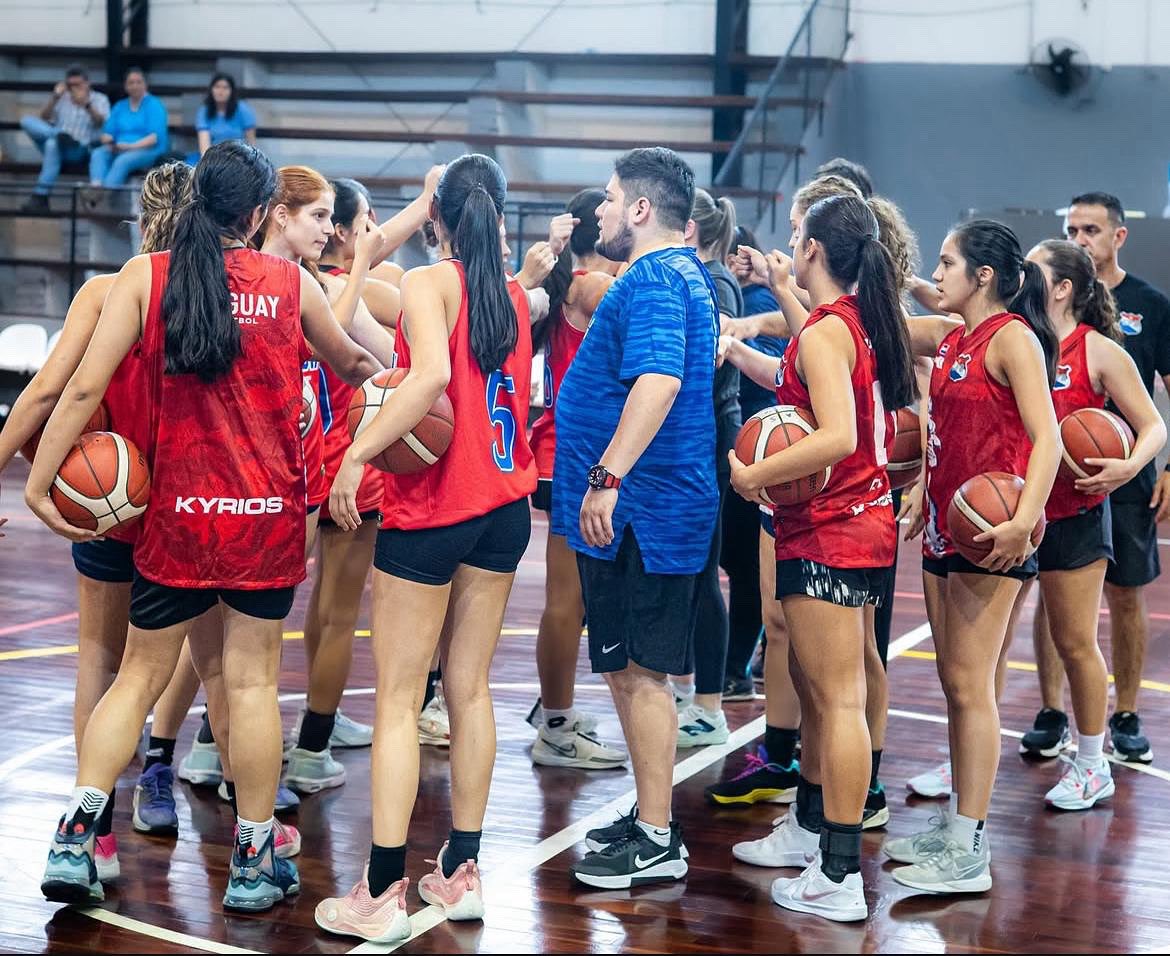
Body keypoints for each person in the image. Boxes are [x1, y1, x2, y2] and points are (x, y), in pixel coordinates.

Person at [29, 140, 381, 911]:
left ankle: (78, 834)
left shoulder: (146, 277)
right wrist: (404, 380)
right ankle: (252, 861)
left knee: (139, 676)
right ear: (259, 215)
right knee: (251, 683)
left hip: (178, 517)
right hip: (265, 518)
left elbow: (85, 386)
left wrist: (37, 479)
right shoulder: (291, 283)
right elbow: (355, 363)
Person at [315, 154, 537, 942]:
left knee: (401, 701)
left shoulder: (427, 283)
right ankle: (461, 873)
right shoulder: (511, 293)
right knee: (469, 690)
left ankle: (381, 890)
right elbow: (432, 367)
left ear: (436, 217)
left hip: (439, 507)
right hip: (507, 505)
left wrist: (355, 452)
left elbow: (429, 379)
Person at [722, 193, 915, 921]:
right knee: (823, 686)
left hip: (832, 526)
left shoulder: (831, 331)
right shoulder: (849, 323)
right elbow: (804, 384)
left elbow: (833, 436)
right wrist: (744, 348)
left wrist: (754, 475)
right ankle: (811, 829)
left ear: (810, 250)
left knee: (836, 702)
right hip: (855, 526)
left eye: (796, 235)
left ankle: (839, 873)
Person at [0, 161, 191, 876]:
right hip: (187, 509)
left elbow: (50, 392)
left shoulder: (106, 291)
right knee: (209, 669)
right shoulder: (221, 295)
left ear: (139, 224)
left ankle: (95, 834)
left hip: (105, 505)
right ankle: (235, 827)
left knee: (101, 662)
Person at [552, 147, 718, 890]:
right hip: (652, 507)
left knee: (642, 675)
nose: (603, 212)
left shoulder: (653, 275)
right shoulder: (681, 273)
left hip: (642, 510)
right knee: (628, 670)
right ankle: (652, 815)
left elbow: (658, 379)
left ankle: (657, 837)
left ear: (643, 210)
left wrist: (605, 478)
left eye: (613, 199)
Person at [887, 219, 1060, 894]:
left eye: (946, 262)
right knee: (954, 686)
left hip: (992, 534)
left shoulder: (1012, 338)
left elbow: (1047, 439)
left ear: (983, 276)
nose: (938, 272)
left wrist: (1021, 523)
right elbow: (889, 325)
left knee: (970, 685)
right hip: (943, 529)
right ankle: (960, 824)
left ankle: (971, 848)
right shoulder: (955, 335)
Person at [1023, 192, 1170, 764]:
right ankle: (1051, 710)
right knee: (1049, 606)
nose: (1080, 237)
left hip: (1115, 484)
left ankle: (1125, 712)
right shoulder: (1027, 328)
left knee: (1125, 598)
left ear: (1117, 236)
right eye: (1072, 228)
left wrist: (1151, 466)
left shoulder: (1145, 308)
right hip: (1039, 493)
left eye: (1090, 229)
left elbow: (1154, 413)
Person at [526, 189, 627, 770]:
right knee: (567, 601)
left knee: (575, 600)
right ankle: (557, 727)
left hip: (578, 453)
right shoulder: (590, 284)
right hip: (569, 456)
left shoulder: (582, 279)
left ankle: (553, 710)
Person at [673, 187, 740, 748]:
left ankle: (710, 706)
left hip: (713, 437)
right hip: (700, 437)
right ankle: (690, 688)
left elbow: (710, 364)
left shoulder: (713, 282)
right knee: (691, 570)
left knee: (703, 572)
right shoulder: (706, 274)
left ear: (687, 227)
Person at [19, 64, 109, 211]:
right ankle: (59, 135)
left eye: (77, 84)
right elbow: (44, 117)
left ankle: (40, 196)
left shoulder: (99, 99)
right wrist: (55, 97)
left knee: (51, 145)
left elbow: (101, 123)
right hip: (58, 142)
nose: (73, 88)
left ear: (87, 83)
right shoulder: (62, 98)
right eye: (70, 85)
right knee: (28, 122)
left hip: (79, 148)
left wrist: (86, 105)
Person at [88, 68, 168, 190]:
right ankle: (96, 187)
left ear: (145, 85)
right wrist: (108, 140)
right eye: (131, 82)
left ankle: (105, 193)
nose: (135, 86)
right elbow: (107, 133)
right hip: (119, 148)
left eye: (139, 82)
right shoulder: (120, 106)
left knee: (123, 160)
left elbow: (154, 138)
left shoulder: (154, 105)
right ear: (126, 86)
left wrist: (130, 147)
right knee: (98, 153)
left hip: (147, 150)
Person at [195, 73, 257, 158]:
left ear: (232, 91)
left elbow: (251, 144)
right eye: (217, 87)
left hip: (239, 158)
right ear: (211, 89)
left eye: (225, 88)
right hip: (214, 159)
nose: (220, 91)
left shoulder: (243, 109)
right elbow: (204, 148)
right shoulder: (204, 111)